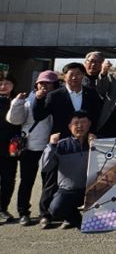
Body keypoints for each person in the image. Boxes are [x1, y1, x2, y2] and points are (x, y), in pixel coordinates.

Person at [6, 71, 58, 226]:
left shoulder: (58, 99)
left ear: (55, 85)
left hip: (50, 146)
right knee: (26, 181)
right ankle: (23, 212)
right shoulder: (28, 100)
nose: (45, 86)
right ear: (36, 85)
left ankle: (46, 212)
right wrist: (17, 103)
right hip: (30, 146)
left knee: (49, 182)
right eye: (42, 83)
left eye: (49, 83)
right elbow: (14, 120)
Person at [41, 110, 94, 229]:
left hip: (92, 189)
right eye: (76, 123)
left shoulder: (97, 142)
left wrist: (95, 147)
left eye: (83, 122)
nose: (80, 126)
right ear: (69, 126)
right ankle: (78, 221)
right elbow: (45, 167)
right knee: (55, 208)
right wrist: (51, 145)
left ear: (89, 124)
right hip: (69, 190)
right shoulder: (61, 145)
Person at [33, 63, 101, 139]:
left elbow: (96, 115)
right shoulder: (55, 95)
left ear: (83, 75)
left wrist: (92, 132)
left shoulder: (92, 94)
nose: (74, 77)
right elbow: (39, 116)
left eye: (78, 74)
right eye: (71, 74)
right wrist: (39, 99)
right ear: (64, 77)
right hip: (62, 138)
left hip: (86, 139)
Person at [0, 73, 20, 224]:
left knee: (8, 179)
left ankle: (3, 208)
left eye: (7, 83)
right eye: (1, 83)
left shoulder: (18, 101)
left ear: (13, 86)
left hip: (11, 147)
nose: (3, 86)